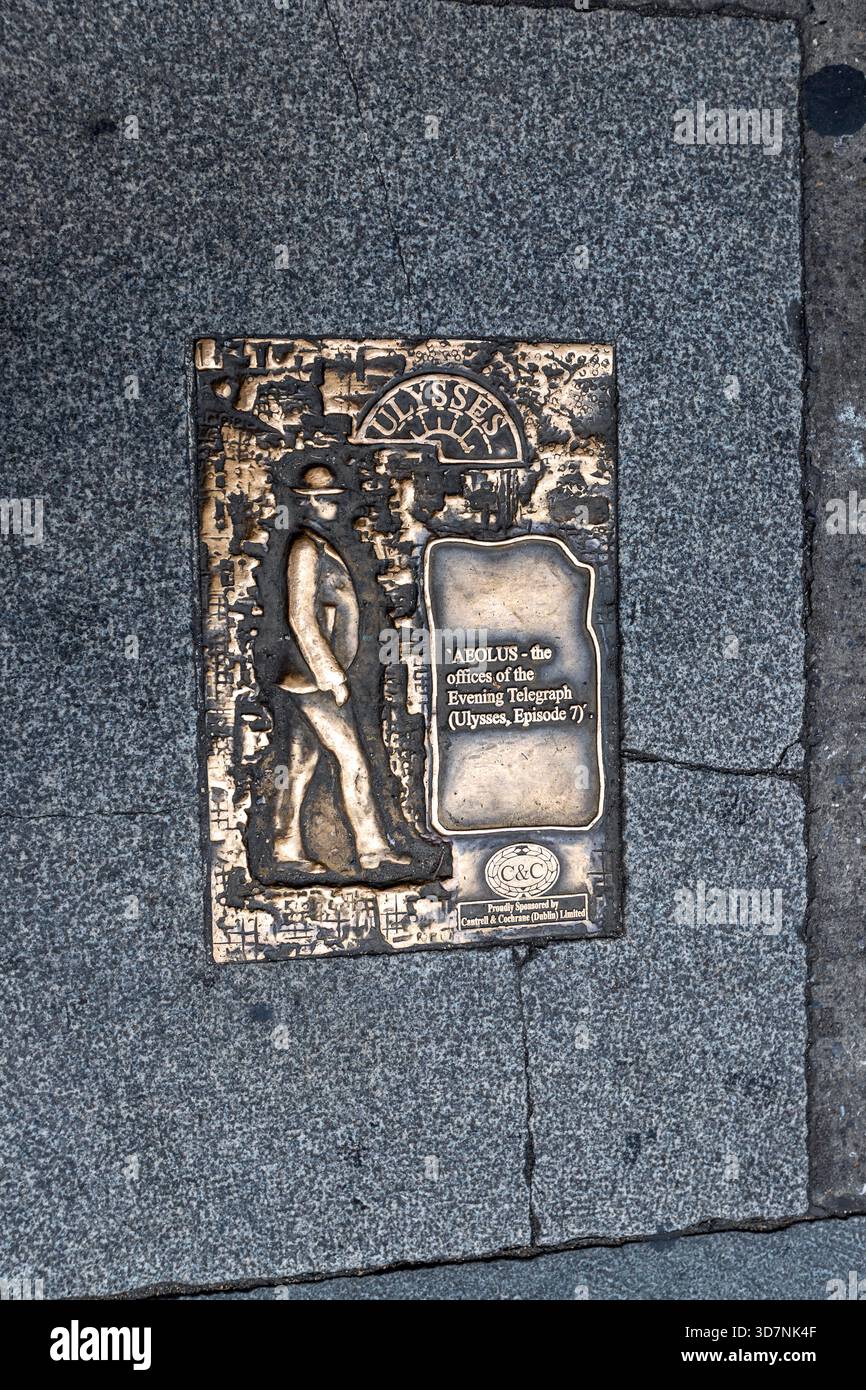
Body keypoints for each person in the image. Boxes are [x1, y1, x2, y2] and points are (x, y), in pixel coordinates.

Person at [273, 464, 410, 873]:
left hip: (310, 678)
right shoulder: (304, 549)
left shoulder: (320, 544)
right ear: (309, 502)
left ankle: (283, 848)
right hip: (314, 679)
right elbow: (300, 616)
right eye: (327, 498)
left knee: (300, 765)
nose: (335, 504)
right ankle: (371, 848)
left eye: (334, 496)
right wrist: (331, 674)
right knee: (352, 759)